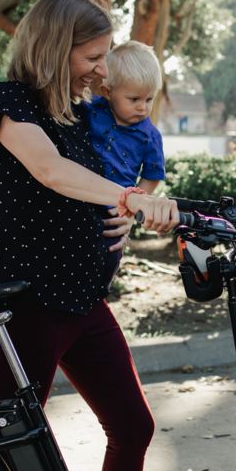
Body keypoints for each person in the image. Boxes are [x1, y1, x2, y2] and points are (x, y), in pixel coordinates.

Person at [0, 0, 195, 471]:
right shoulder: (8, 102)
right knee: (8, 445)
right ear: (56, 47)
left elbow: (106, 185)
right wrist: (126, 197)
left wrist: (130, 208)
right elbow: (50, 172)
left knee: (132, 425)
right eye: (91, 55)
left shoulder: (81, 115)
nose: (100, 68)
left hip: (83, 302)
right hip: (26, 304)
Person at [86, 40, 166, 291]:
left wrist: (133, 208)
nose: (143, 107)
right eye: (134, 99)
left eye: (149, 99)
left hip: (114, 213)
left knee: (107, 256)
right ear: (108, 92)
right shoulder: (91, 111)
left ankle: (99, 293)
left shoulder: (149, 135)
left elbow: (152, 175)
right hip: (80, 199)